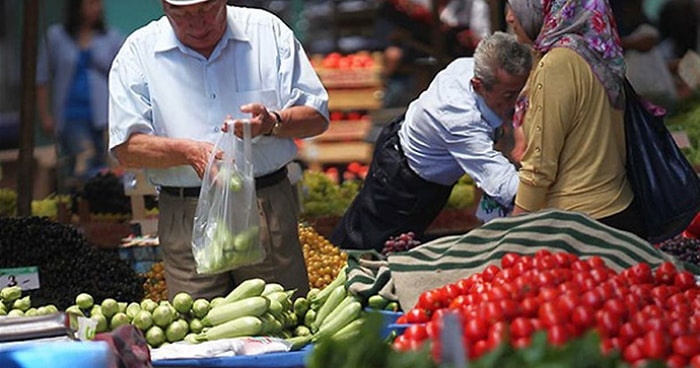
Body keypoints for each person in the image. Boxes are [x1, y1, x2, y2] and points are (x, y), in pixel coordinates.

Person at [108, 0, 329, 301]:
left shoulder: (266, 32)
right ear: (163, 6)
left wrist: (273, 123)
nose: (197, 24)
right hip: (186, 214)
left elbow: (316, 116)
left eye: (206, 10)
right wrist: (188, 152)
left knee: (285, 317)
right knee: (200, 331)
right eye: (181, 14)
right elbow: (126, 149)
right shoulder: (139, 51)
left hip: (265, 206)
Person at [329, 31, 532, 252]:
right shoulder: (458, 117)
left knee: (374, 228)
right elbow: (503, 184)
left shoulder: (471, 66)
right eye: (509, 96)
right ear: (478, 85)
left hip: (410, 150)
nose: (516, 102)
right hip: (404, 179)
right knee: (372, 246)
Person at [507, 0, 646, 239]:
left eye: (517, 7)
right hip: (618, 208)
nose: (510, 17)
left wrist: (513, 235)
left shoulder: (557, 63)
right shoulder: (596, 51)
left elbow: (539, 168)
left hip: (580, 224)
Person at [37, 0, 124, 194]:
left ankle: (100, 215)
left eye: (98, 4)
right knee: (82, 166)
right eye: (91, 3)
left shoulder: (111, 37)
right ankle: (80, 213)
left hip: (105, 117)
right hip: (71, 115)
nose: (96, 8)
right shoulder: (56, 36)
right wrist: (45, 115)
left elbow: (124, 73)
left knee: (107, 171)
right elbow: (41, 77)